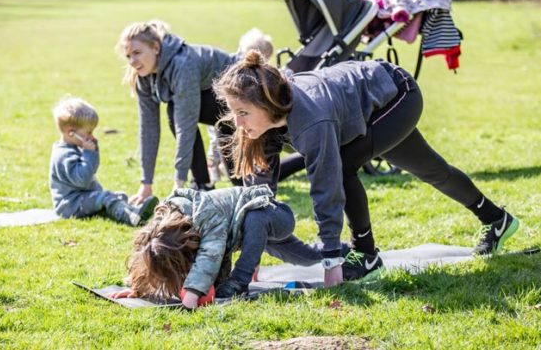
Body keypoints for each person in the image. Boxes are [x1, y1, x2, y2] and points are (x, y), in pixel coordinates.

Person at [213, 50, 520, 287]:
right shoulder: (262, 127)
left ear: (267, 106)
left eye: (243, 113)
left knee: (343, 166)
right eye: (233, 112)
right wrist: (250, 255)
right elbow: (261, 197)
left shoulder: (312, 121)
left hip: (395, 96)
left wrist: (332, 259)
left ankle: (367, 255)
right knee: (433, 170)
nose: (236, 123)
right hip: (360, 110)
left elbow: (326, 188)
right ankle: (497, 219)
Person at [116, 20, 304, 202]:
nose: (132, 61)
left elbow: (185, 125)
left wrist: (178, 184)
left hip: (246, 100)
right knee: (243, 181)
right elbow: (148, 130)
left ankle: (203, 184)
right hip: (220, 110)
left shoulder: (183, 64)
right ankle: (203, 184)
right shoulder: (143, 77)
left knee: (250, 180)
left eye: (137, 53)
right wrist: (146, 184)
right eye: (128, 56)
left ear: (156, 48)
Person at [108, 185, 349, 308]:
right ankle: (345, 251)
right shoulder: (161, 230)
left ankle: (240, 280)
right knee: (306, 257)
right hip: (247, 235)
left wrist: (192, 294)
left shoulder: (205, 215)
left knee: (255, 219)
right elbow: (148, 256)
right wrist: (139, 288)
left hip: (273, 215)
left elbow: (211, 256)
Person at [49, 97, 158, 226]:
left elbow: (91, 169)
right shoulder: (64, 155)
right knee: (106, 198)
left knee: (118, 197)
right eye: (88, 132)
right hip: (70, 205)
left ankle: (132, 211)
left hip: (83, 198)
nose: (92, 136)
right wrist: (89, 152)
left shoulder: (75, 147)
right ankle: (132, 217)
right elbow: (82, 180)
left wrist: (92, 152)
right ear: (71, 133)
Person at [207, 28, 274, 184]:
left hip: (231, 114)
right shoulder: (237, 73)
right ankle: (214, 164)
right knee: (221, 134)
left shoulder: (257, 77)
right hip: (223, 111)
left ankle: (221, 165)